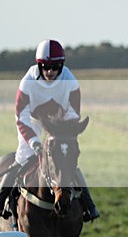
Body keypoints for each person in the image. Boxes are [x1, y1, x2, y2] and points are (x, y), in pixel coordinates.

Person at [0, 39, 100, 221]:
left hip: (59, 125)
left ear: (61, 65)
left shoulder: (70, 82)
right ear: (39, 65)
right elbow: (20, 117)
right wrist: (35, 142)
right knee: (21, 159)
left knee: (67, 161)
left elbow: (73, 114)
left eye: (55, 67)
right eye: (45, 66)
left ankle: (89, 205)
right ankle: (2, 202)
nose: (50, 72)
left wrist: (61, 134)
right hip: (31, 122)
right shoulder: (27, 82)